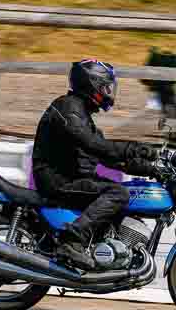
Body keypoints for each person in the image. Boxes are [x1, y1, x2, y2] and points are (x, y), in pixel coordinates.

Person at [32, 59, 160, 270]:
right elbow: (94, 144)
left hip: (70, 177)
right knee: (118, 193)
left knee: (120, 196)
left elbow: (108, 157)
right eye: (106, 86)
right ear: (91, 84)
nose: (109, 92)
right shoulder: (68, 109)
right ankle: (72, 242)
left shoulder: (81, 114)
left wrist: (151, 169)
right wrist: (134, 148)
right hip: (57, 179)